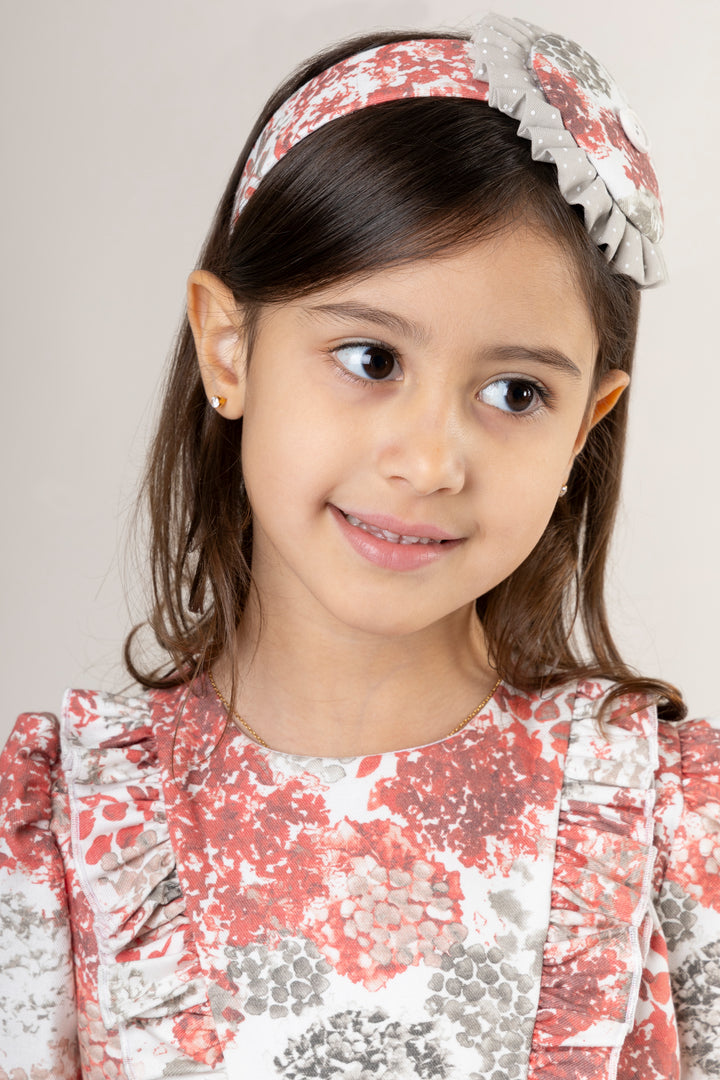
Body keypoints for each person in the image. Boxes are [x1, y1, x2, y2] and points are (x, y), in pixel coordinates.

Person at [0, 12, 717, 1080]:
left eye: (515, 392)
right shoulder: (63, 834)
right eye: (372, 357)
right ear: (228, 345)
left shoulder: (671, 819)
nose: (430, 460)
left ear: (587, 424)